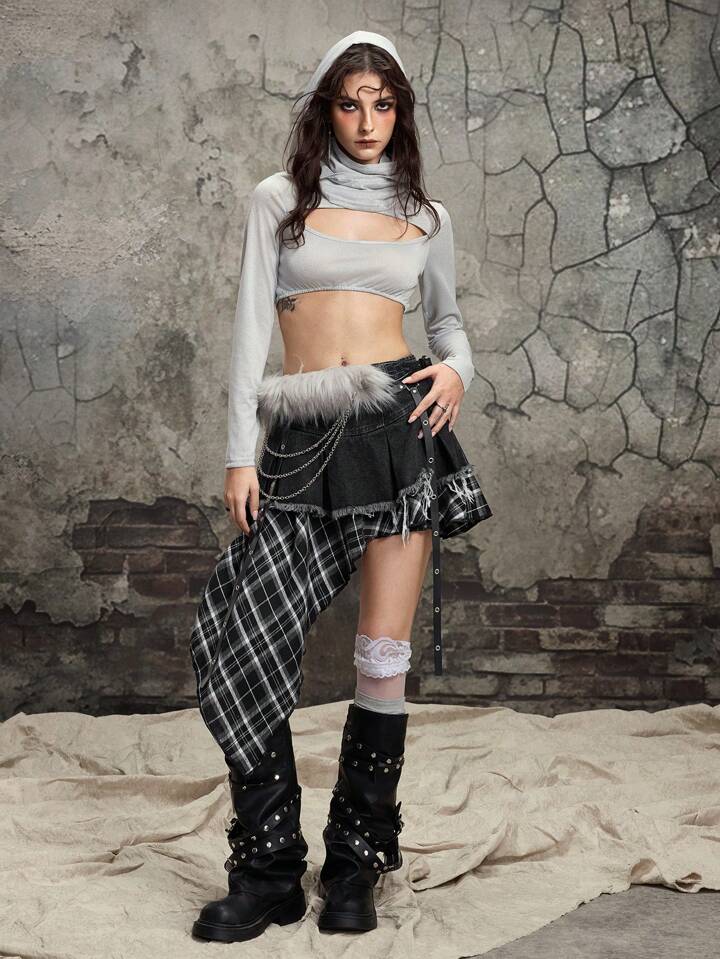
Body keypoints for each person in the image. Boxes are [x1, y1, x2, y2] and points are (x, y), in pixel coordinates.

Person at [189, 30, 493, 942]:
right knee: (240, 641)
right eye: (351, 103)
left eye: (383, 105)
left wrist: (456, 371)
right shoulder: (280, 200)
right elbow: (251, 327)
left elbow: (447, 323)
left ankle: (355, 867)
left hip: (397, 430)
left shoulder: (425, 215)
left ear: (400, 114)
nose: (367, 121)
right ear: (326, 109)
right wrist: (239, 454)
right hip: (301, 436)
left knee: (381, 655)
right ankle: (269, 870)